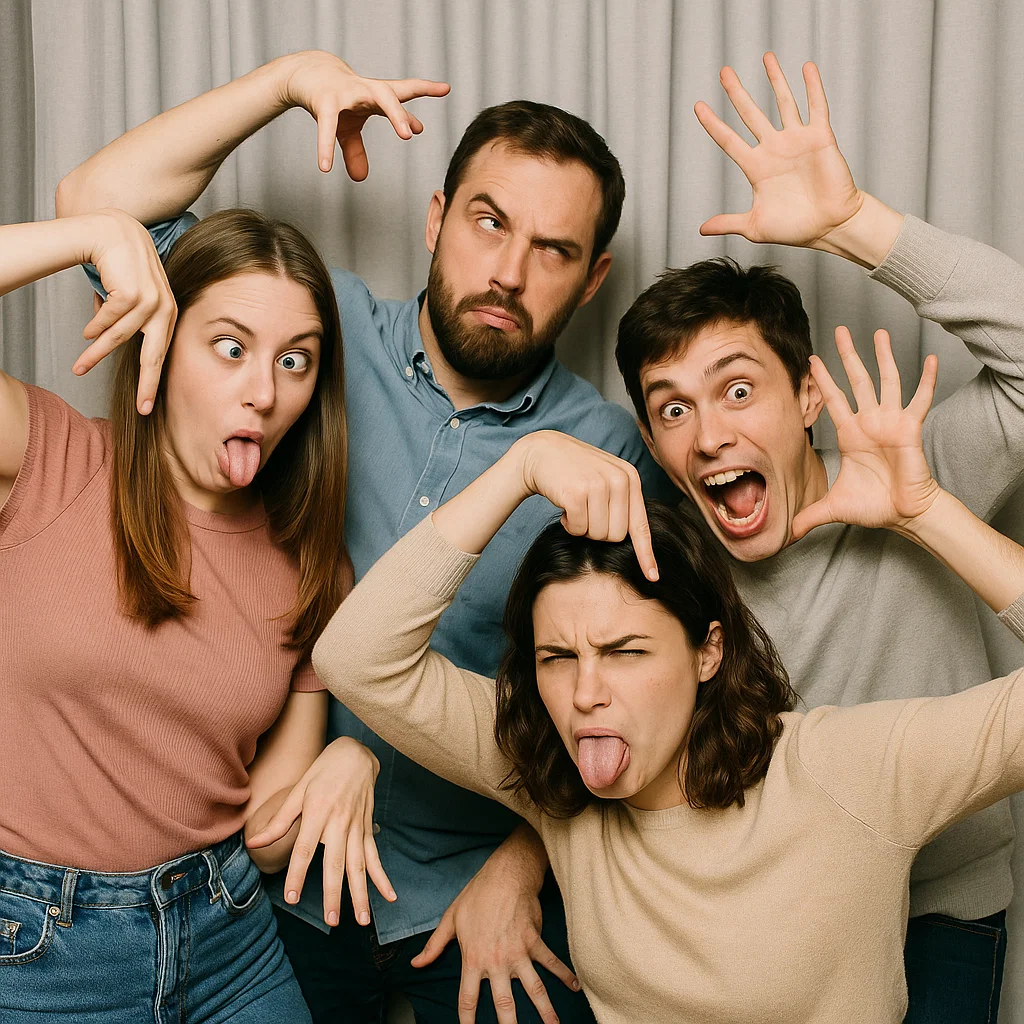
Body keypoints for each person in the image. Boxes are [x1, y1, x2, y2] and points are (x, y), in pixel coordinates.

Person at [56, 49, 673, 1024]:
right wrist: (282, 84)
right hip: (267, 887)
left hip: (473, 903)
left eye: (552, 250)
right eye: (488, 222)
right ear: (435, 221)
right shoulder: (311, 334)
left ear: (592, 279)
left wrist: (527, 863)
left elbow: (642, 712)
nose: (508, 271)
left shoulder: (606, 454)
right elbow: (94, 202)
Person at [259, 324, 1024, 1024]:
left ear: (708, 651)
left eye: (626, 652)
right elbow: (355, 656)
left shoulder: (847, 770)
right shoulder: (554, 774)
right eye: (558, 658)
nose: (586, 693)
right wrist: (520, 467)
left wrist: (924, 512)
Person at [613, 55, 1024, 1021]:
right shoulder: (661, 561)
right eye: (672, 409)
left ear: (808, 398)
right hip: (768, 913)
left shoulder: (923, 475)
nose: (708, 433)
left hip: (942, 912)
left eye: (738, 389)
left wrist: (855, 228)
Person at [0, 207, 377, 1021]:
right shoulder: (48, 457)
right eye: (231, 347)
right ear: (163, 346)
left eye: (296, 361)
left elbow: (269, 833)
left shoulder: (311, 563)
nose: (265, 392)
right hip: (36, 949)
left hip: (226, 934)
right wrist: (85, 236)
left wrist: (351, 766)